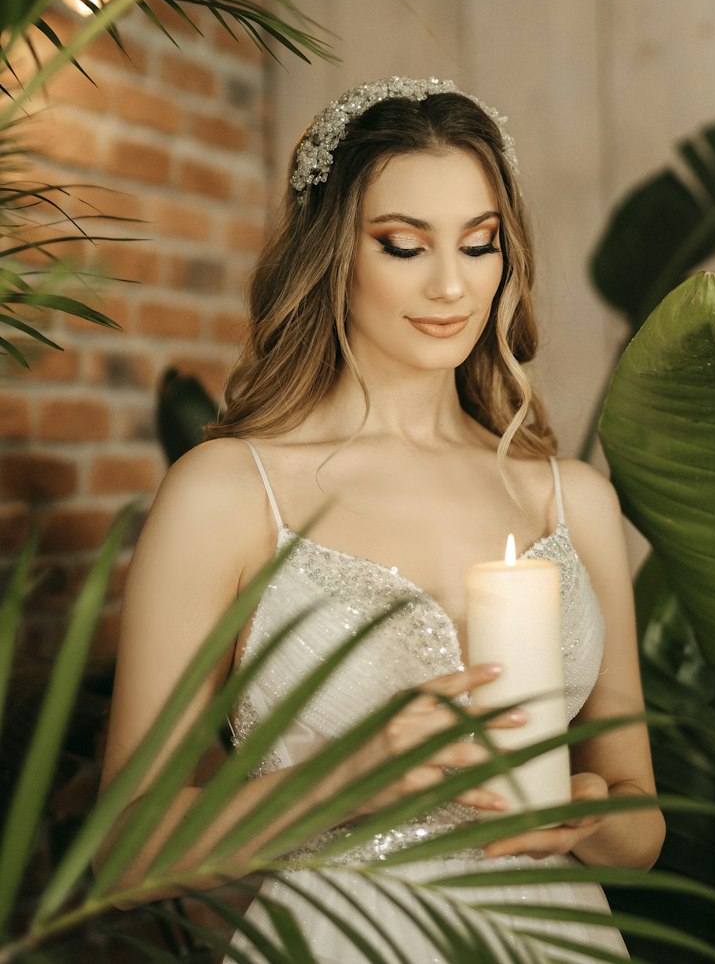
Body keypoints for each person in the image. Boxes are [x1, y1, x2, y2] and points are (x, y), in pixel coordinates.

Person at [99, 76, 665, 962]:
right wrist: (349, 775)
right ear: (333, 255)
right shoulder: (230, 493)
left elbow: (641, 822)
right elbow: (123, 843)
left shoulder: (570, 498)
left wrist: (583, 814)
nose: (451, 285)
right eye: (404, 245)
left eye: (479, 246)